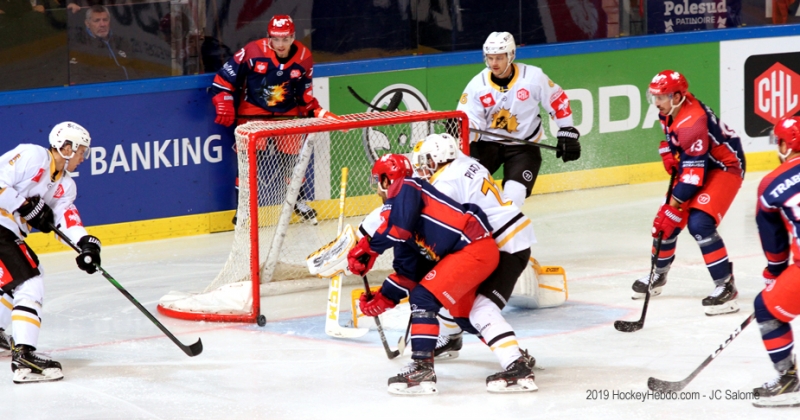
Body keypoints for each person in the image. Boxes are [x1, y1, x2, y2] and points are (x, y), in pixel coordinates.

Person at [348, 154, 503, 395]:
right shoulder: (398, 217)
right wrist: (383, 298)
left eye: (379, 179)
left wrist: (368, 250)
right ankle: (515, 358)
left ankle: (422, 369)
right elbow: (409, 274)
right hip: (463, 256)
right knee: (464, 315)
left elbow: (398, 230)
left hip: (472, 247)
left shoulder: (409, 186)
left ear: (389, 179)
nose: (378, 186)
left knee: (423, 299)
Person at [409, 133, 538, 392]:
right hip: (507, 235)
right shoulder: (469, 163)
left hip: (504, 245)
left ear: (438, 158)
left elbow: (445, 230)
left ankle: (517, 365)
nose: (423, 167)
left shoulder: (445, 181)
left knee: (480, 309)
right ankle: (451, 337)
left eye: (426, 161)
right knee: (452, 292)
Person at [632, 70, 746, 316]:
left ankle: (726, 286)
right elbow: (678, 141)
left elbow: (693, 179)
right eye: (655, 96)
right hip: (700, 163)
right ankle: (658, 275)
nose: (656, 102)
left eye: (661, 96)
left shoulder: (692, 121)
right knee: (664, 225)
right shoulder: (671, 108)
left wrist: (672, 206)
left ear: (676, 97)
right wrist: (669, 150)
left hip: (724, 168)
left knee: (699, 223)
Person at [210, 14, 340, 225]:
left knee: (292, 163)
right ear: (269, 36)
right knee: (249, 165)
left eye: (286, 38)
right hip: (252, 114)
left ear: (293, 37)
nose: (280, 44)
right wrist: (224, 102)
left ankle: (298, 202)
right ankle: (243, 209)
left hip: (286, 114)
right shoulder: (252, 52)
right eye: (276, 39)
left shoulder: (304, 57)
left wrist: (319, 112)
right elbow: (223, 78)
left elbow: (304, 95)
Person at [0, 121, 102, 384]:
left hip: (7, 231)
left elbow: (66, 221)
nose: (83, 158)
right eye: (81, 151)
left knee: (26, 275)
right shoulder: (33, 156)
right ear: (66, 147)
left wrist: (86, 244)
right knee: (29, 281)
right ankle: (24, 357)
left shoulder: (65, 185)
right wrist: (23, 205)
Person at [456, 31, 582, 209]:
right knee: (466, 192)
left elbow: (556, 100)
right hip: (488, 145)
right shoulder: (478, 85)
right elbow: (471, 119)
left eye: (499, 58)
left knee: (513, 200)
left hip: (523, 147)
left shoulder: (532, 78)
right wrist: (463, 131)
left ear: (511, 55)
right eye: (490, 58)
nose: (494, 63)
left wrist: (567, 132)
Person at [751, 115, 800, 401]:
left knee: (766, 308)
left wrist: (776, 271)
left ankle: (787, 379)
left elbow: (775, 243)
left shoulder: (771, 184)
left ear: (785, 144)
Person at [69, 5, 136, 84]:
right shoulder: (79, 45)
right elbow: (76, 77)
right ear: (87, 23)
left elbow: (137, 68)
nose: (102, 24)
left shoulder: (121, 41)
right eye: (97, 21)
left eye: (105, 20)